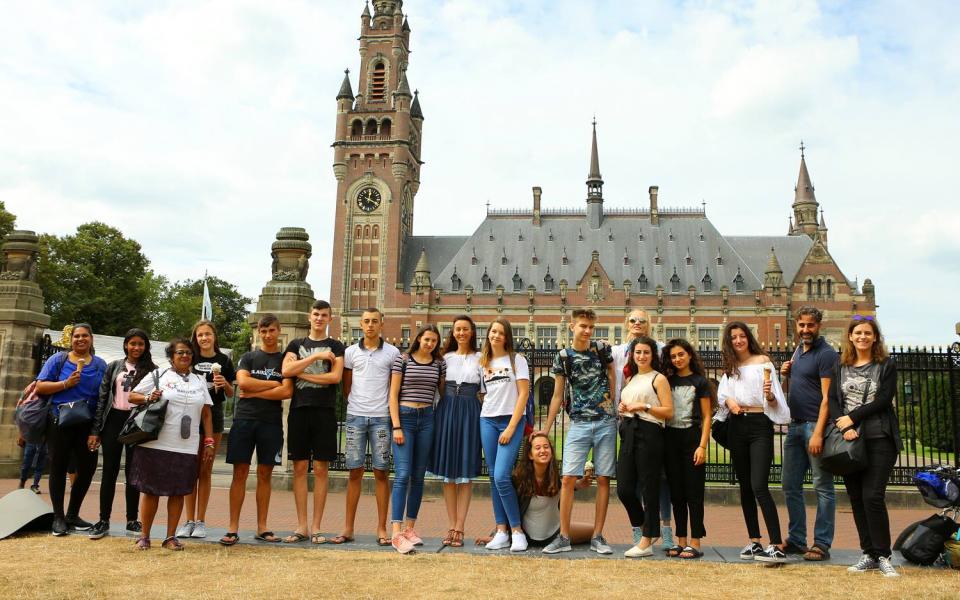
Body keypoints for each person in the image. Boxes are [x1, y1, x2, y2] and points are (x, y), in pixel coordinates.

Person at [541, 308, 617, 554]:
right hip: (579, 423)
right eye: (583, 326)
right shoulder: (563, 357)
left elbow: (612, 373)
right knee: (567, 479)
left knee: (603, 478)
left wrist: (612, 403)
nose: (587, 331)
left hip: (605, 421)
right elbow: (557, 394)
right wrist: (546, 428)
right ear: (572, 326)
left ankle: (598, 536)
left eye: (591, 327)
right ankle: (564, 537)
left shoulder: (602, 350)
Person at [829, 316, 901, 577]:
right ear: (850, 336)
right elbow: (833, 400)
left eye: (867, 333)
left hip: (879, 436)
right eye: (858, 332)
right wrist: (844, 426)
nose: (862, 337)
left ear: (875, 337)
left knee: (873, 496)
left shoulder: (886, 365)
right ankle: (868, 553)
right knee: (857, 498)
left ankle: (883, 555)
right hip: (849, 440)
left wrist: (853, 418)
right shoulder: (840, 365)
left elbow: (884, 399)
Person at [129, 338, 215, 550]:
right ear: (171, 357)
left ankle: (170, 537)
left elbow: (206, 414)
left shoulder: (199, 380)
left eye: (188, 352)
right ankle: (145, 536)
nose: (185, 356)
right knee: (150, 490)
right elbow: (132, 396)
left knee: (178, 491)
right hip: (156, 442)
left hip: (186, 445)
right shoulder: (158, 375)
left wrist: (209, 441)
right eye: (180, 353)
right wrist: (149, 396)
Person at [715, 321, 790, 563]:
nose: (738, 340)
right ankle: (755, 541)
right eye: (733, 337)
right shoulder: (730, 367)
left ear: (748, 337)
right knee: (745, 487)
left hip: (759, 425)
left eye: (742, 336)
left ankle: (776, 544)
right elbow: (722, 395)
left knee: (759, 485)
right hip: (737, 425)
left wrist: (769, 395)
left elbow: (775, 399)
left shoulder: (763, 362)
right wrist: (729, 403)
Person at [220, 314, 292, 546]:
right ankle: (232, 528)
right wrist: (272, 384)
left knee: (264, 474)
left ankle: (262, 527)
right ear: (258, 333)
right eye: (263, 331)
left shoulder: (285, 360)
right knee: (239, 473)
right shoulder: (248, 357)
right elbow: (243, 383)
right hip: (245, 420)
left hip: (270, 423)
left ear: (278, 331)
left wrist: (255, 389)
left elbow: (286, 392)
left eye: (271, 330)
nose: (267, 335)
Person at [282, 300, 345, 544]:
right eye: (316, 314)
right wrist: (316, 357)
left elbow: (335, 377)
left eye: (324, 315)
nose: (319, 318)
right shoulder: (296, 344)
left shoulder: (336, 345)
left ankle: (317, 527)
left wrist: (302, 372)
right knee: (299, 468)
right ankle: (301, 526)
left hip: (324, 411)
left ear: (330, 319)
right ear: (310, 316)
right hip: (299, 410)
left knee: (320, 469)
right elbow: (286, 371)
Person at [34, 323, 107, 536]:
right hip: (59, 422)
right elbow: (40, 386)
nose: (80, 339)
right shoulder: (57, 360)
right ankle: (58, 517)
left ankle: (73, 514)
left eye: (85, 336)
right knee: (57, 467)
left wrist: (97, 429)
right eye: (77, 336)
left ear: (91, 339)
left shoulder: (100, 365)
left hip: (87, 424)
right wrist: (66, 383)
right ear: (71, 339)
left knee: (87, 469)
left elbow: (103, 397)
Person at [335, 308, 399, 546]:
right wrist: (357, 404)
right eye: (366, 322)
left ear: (382, 324)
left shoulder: (393, 353)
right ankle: (348, 527)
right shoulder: (350, 352)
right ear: (361, 325)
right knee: (355, 472)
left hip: (381, 417)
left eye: (374, 321)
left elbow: (395, 387)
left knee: (382, 472)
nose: (370, 325)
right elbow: (346, 386)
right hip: (356, 418)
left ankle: (382, 528)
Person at [780, 306, 838, 561]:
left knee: (822, 486)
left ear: (819, 326)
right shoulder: (798, 352)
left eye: (810, 325)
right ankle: (796, 539)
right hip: (794, 425)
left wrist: (818, 433)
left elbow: (828, 397)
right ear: (797, 325)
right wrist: (785, 374)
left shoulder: (826, 354)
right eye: (802, 325)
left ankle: (822, 544)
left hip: (815, 426)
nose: (805, 330)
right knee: (789, 485)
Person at [612, 309, 673, 548]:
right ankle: (644, 526)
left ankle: (657, 531)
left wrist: (644, 406)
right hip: (627, 427)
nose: (637, 323)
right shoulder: (622, 360)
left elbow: (667, 407)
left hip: (651, 428)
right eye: (633, 320)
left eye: (642, 320)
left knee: (655, 483)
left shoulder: (660, 366)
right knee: (626, 487)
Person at [88, 328, 156, 540]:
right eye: (132, 343)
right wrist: (96, 430)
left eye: (140, 344)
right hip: (114, 420)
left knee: (133, 473)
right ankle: (103, 519)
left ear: (146, 347)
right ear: (126, 345)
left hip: (136, 421)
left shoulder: (153, 369)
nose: (136, 348)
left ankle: (132, 519)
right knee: (109, 470)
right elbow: (102, 399)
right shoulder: (114, 367)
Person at [476, 433, 594, 549]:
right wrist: (496, 534)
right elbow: (508, 508)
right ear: (530, 455)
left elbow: (565, 487)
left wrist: (579, 484)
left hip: (555, 534)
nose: (543, 450)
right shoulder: (519, 479)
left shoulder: (555, 477)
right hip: (527, 536)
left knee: (594, 531)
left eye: (546, 447)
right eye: (538, 448)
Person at [177, 320, 236, 539]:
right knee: (189, 469)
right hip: (191, 415)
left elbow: (231, 394)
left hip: (215, 415)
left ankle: (201, 521)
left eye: (208, 334)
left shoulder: (223, 360)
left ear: (214, 336)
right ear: (196, 337)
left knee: (205, 469)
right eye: (200, 335)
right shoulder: (190, 358)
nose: (204, 338)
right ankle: (188, 520)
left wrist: (223, 383)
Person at [389, 324, 445, 554]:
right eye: (426, 339)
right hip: (405, 417)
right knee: (402, 475)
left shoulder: (439, 364)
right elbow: (392, 395)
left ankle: (410, 529)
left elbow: (441, 394)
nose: (429, 343)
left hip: (427, 419)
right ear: (419, 339)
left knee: (419, 477)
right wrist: (396, 426)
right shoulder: (403, 360)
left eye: (434, 341)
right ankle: (396, 533)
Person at [479, 318, 530, 552]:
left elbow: (523, 395)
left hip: (510, 421)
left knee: (501, 476)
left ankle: (517, 531)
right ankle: (501, 531)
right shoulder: (483, 362)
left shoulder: (517, 359)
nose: (496, 336)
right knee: (492, 477)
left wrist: (511, 427)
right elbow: (483, 393)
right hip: (487, 419)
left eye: (500, 332)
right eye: (493, 332)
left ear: (507, 336)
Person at [432, 315, 482, 548]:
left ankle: (460, 526)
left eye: (465, 329)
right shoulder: (444, 358)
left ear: (472, 332)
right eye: (457, 329)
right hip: (447, 410)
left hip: (470, 411)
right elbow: (439, 387)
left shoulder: (481, 358)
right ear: (452, 333)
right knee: (448, 474)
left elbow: (484, 391)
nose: (461, 333)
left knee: (465, 472)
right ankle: (451, 525)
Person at [661, 339, 714, 559]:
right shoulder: (667, 381)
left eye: (681, 354)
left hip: (692, 439)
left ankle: (696, 541)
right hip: (670, 439)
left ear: (689, 355)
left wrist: (702, 446)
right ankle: (681, 540)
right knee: (677, 494)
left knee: (694, 492)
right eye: (673, 356)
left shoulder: (700, 382)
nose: (677, 359)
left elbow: (707, 416)